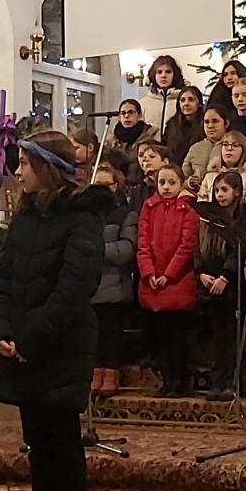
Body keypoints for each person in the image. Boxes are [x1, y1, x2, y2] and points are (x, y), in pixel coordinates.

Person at [0, 133, 108, 491]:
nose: (17, 171)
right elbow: (3, 278)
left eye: (24, 163)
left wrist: (31, 337)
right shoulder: (25, 216)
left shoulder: (82, 217)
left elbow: (74, 288)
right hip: (23, 346)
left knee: (63, 443)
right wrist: (1, 330)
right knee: (36, 442)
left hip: (60, 345)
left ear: (47, 167)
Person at [136, 161, 199, 398]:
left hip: (177, 280)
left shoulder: (188, 208)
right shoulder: (149, 206)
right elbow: (143, 242)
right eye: (162, 182)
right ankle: (167, 378)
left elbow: (186, 246)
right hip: (153, 281)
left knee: (177, 336)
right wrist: (149, 272)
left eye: (172, 182)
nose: (166, 187)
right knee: (161, 336)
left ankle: (180, 380)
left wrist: (168, 274)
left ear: (181, 183)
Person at [193, 172, 246, 399]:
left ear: (237, 192)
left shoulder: (243, 216)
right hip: (209, 281)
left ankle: (233, 381)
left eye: (224, 190)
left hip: (232, 285)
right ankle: (217, 380)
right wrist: (200, 273)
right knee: (217, 336)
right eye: (217, 190)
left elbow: (240, 248)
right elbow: (197, 247)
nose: (219, 195)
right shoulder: (208, 217)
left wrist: (225, 276)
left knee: (232, 334)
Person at [88, 151, 137, 397]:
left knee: (110, 333)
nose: (101, 190)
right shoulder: (87, 215)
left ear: (115, 186)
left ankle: (111, 373)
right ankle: (96, 371)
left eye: (106, 185)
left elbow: (126, 249)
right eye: (96, 185)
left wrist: (97, 249)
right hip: (91, 284)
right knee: (93, 334)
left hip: (114, 284)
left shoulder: (125, 214)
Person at [181, 105, 231, 194]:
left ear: (226, 123)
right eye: (206, 122)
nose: (210, 126)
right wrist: (189, 182)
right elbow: (181, 179)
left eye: (215, 121)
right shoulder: (195, 148)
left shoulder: (233, 146)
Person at [140, 54, 187, 141]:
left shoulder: (183, 102)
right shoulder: (143, 104)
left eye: (168, 72)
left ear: (175, 75)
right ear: (154, 75)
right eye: (159, 72)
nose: (163, 75)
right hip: (151, 147)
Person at [161, 85, 206, 163]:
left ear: (199, 103)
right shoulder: (171, 125)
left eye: (191, 100)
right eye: (182, 100)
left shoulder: (205, 124)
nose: (186, 103)